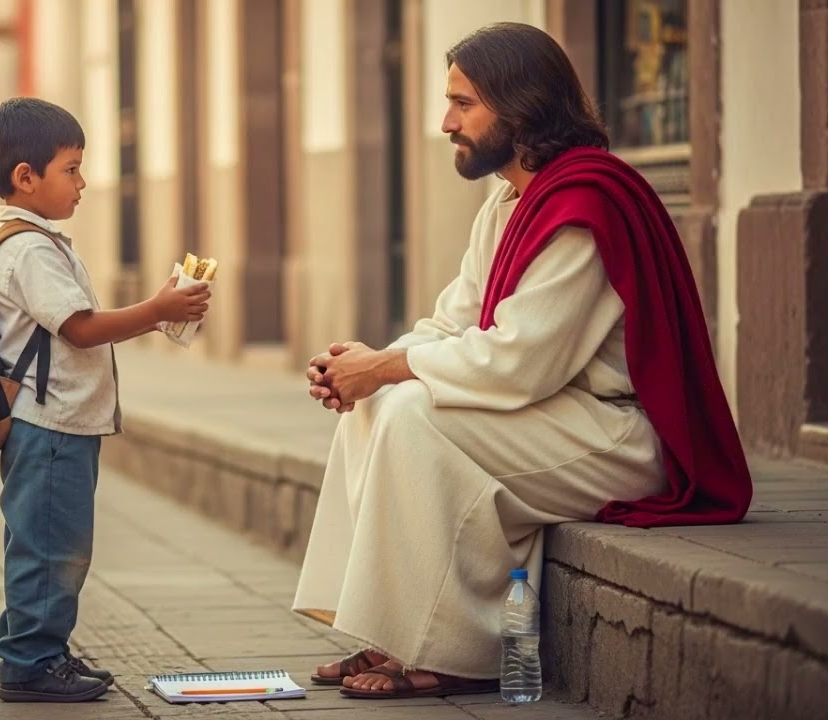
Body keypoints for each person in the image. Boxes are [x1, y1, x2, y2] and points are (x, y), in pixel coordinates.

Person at [292, 22, 752, 699]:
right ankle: (385, 632)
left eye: (463, 104)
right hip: (555, 413)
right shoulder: (509, 200)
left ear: (521, 105)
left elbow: (520, 362)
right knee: (382, 403)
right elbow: (453, 321)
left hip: (616, 435)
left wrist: (388, 370)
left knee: (411, 412)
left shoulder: (583, 205)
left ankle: (455, 653)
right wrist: (363, 365)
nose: (445, 122)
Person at [0, 97, 211, 702]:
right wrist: (157, 311)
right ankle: (29, 663)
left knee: (54, 544)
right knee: (49, 548)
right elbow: (79, 327)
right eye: (72, 169)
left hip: (61, 424)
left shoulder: (40, 240)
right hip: (47, 425)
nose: (83, 182)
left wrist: (159, 313)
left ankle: (43, 650)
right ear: (25, 178)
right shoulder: (27, 249)